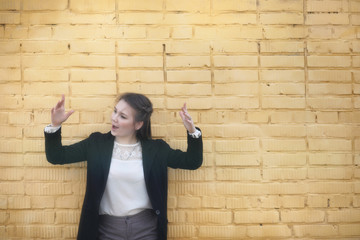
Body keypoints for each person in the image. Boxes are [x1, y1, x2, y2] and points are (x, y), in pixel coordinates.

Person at [44, 93, 203, 240]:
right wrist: (55, 124)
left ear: (138, 124)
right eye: (115, 111)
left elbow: (191, 161)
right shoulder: (96, 144)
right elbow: (57, 156)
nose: (114, 118)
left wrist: (191, 130)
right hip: (107, 229)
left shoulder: (157, 150)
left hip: (146, 228)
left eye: (123, 116)